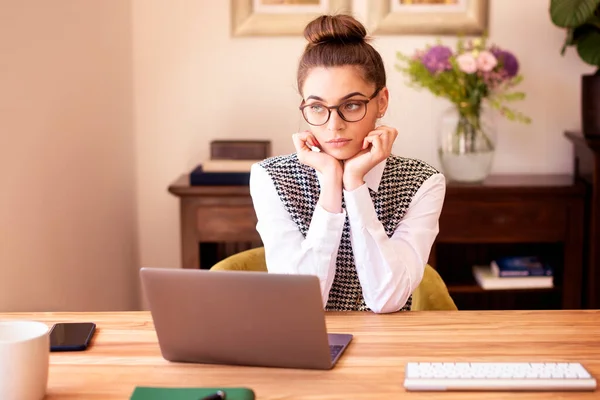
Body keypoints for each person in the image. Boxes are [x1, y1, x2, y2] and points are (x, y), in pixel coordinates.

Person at [249, 14, 446, 313]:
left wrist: (354, 184)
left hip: (386, 348)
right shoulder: (270, 178)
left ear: (381, 102)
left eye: (351, 105)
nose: (333, 126)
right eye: (317, 107)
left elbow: (387, 299)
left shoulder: (423, 182)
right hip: (302, 347)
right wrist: (330, 181)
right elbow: (299, 303)